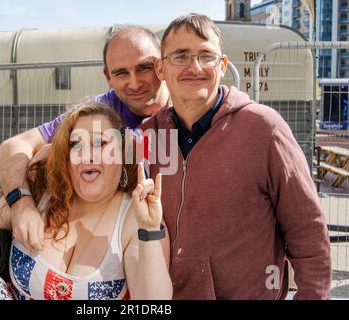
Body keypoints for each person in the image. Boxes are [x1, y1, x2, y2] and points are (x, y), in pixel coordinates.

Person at [136, 13, 331, 299]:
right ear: (161, 67)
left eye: (206, 55)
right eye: (180, 56)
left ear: (223, 65)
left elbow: (307, 230)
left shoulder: (264, 129)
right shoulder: (146, 136)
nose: (195, 66)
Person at [0, 26, 170, 252]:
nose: (134, 83)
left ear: (161, 66)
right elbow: (15, 146)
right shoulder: (99, 114)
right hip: (115, 251)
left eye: (144, 67)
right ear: (108, 77)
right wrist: (21, 203)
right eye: (121, 73)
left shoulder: (186, 109)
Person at [0, 103, 172, 300]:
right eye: (76, 144)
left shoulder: (138, 217)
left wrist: (149, 230)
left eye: (101, 143)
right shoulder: (39, 191)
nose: (87, 155)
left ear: (121, 154)